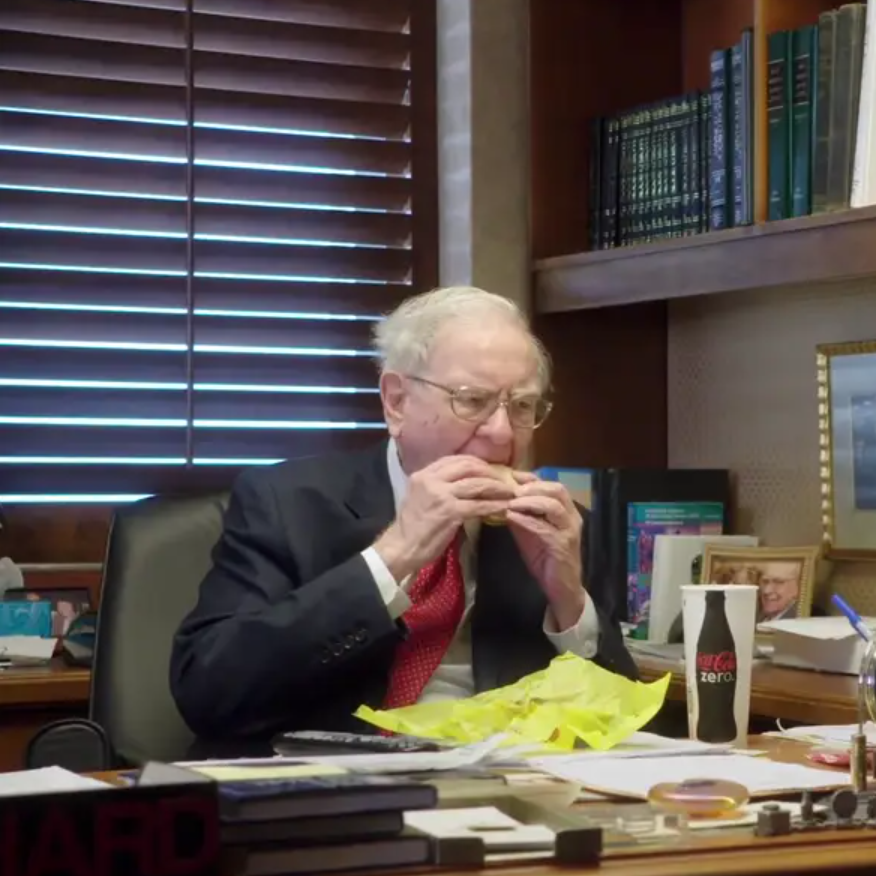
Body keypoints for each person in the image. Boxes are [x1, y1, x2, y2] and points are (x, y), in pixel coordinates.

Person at [170, 286, 636, 752]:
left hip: (503, 779)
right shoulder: (285, 502)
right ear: (397, 401)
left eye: (521, 406)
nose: (500, 434)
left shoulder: (558, 526)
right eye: (472, 400)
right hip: (333, 778)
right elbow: (208, 692)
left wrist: (569, 600)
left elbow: (622, 720)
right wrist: (392, 557)